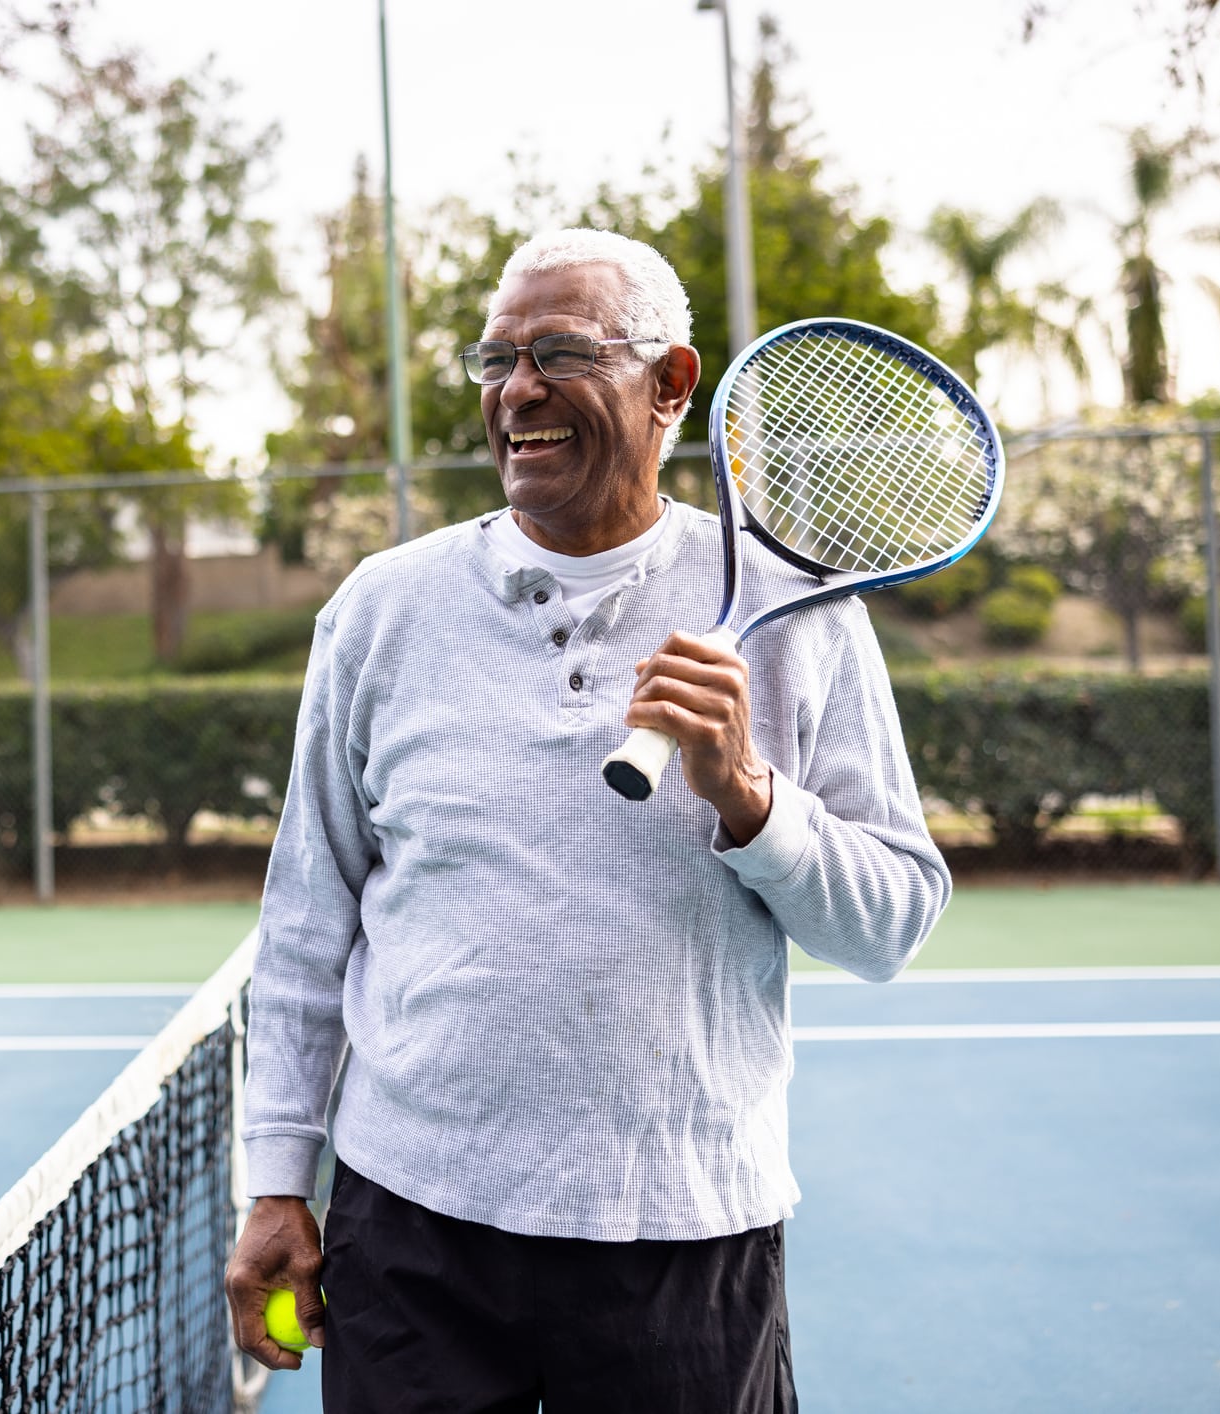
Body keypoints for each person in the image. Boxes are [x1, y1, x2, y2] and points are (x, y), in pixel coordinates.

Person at [223, 228, 951, 1413]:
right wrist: (274, 1180)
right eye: (495, 358)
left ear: (670, 383)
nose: (516, 391)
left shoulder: (798, 612)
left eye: (558, 352)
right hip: (410, 1230)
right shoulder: (380, 610)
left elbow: (891, 924)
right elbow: (308, 919)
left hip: (683, 1230)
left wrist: (748, 799)